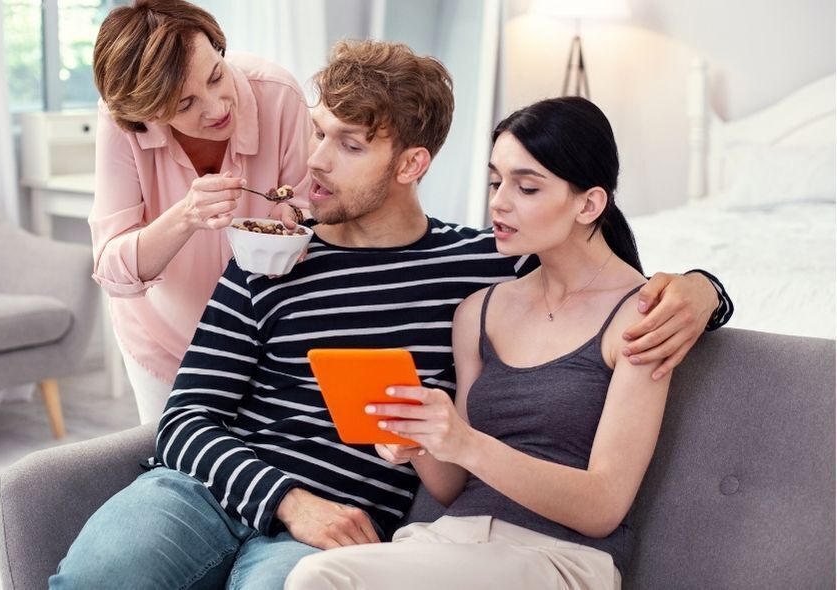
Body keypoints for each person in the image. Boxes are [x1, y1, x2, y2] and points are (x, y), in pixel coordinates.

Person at [51, 40, 731, 590]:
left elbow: (601, 279)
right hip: (205, 494)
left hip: (348, 531)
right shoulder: (270, 252)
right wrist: (289, 501)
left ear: (411, 164)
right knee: (95, 576)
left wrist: (703, 291)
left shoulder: (485, 268)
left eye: (349, 145)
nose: (315, 163)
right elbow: (185, 418)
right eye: (319, 134)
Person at [284, 96, 667, 590]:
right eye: (495, 181)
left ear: (589, 203)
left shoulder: (643, 316)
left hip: (559, 560)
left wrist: (467, 442)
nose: (499, 202)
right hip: (452, 542)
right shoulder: (480, 311)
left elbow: (603, 507)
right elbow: (451, 487)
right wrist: (420, 441)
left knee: (321, 578)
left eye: (526, 187)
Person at [89, 0, 311, 423]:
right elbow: (111, 269)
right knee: (175, 465)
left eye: (216, 76)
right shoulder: (122, 124)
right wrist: (186, 215)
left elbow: (304, 214)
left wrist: (296, 228)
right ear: (146, 112)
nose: (216, 108)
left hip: (266, 342)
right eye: (184, 104)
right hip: (163, 340)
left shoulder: (279, 96)